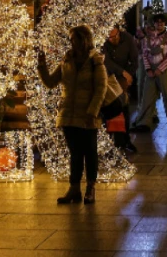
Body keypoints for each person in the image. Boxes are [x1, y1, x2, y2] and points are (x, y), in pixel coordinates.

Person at [38, 25, 107, 205]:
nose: (71, 42)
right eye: (71, 39)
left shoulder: (95, 61)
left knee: (90, 152)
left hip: (87, 115)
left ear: (84, 40)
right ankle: (74, 188)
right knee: (75, 153)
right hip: (68, 113)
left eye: (75, 39)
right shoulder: (67, 59)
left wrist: (93, 111)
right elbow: (51, 82)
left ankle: (90, 188)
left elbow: (101, 88)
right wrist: (42, 66)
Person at [137, 13, 167, 134]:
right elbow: (145, 54)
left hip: (165, 71)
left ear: (165, 23)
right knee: (147, 97)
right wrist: (148, 69)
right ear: (154, 23)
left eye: (162, 22)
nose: (159, 24)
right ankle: (143, 122)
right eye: (157, 22)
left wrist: (160, 69)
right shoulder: (148, 38)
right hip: (151, 72)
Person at [102, 25, 138, 153]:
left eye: (114, 36)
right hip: (109, 77)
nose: (112, 39)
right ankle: (111, 141)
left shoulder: (128, 39)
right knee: (111, 109)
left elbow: (134, 60)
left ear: (119, 32)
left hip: (123, 78)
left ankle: (125, 140)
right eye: (109, 37)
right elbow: (107, 62)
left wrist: (128, 76)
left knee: (124, 108)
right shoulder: (104, 41)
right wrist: (123, 72)